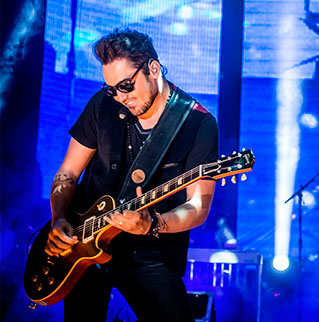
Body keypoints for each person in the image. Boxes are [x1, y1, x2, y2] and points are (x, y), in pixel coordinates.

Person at [44, 29, 218, 322]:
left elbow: (198, 207)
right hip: (82, 243)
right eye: (111, 88)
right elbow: (68, 173)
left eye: (126, 85)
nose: (120, 97)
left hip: (150, 250)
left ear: (153, 68)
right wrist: (59, 216)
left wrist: (154, 224)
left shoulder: (198, 124)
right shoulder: (103, 104)